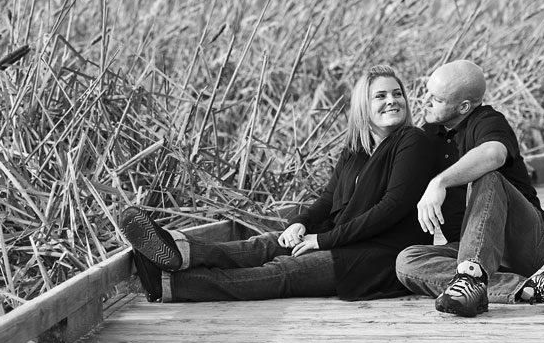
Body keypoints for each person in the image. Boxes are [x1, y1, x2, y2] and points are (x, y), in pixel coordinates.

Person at [119, 65, 462, 303]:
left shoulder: (412, 141)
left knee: (282, 271)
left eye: (397, 93)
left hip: (372, 257)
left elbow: (392, 207)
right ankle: (176, 251)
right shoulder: (356, 149)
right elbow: (328, 200)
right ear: (364, 106)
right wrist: (300, 224)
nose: (392, 101)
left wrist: (322, 240)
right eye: (381, 96)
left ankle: (168, 282)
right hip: (339, 241)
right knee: (264, 245)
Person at [395, 60, 544, 317]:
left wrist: (440, 181)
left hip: (524, 242)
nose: (425, 100)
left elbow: (493, 154)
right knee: (406, 262)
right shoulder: (428, 135)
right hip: (465, 247)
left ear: (464, 107)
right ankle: (530, 288)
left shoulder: (488, 121)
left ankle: (471, 277)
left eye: (435, 98)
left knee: (487, 176)